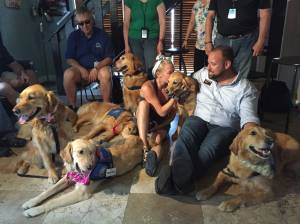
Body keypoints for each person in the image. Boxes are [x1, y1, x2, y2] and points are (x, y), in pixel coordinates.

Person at [155, 46, 260, 195]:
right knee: (184, 139)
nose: (208, 67)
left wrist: (253, 138)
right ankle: (181, 181)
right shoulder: (203, 74)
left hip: (224, 127)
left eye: (213, 64)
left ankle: (173, 179)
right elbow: (184, 80)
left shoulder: (245, 89)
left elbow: (249, 120)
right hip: (198, 119)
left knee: (206, 152)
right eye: (208, 62)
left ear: (227, 65)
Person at [205, 0, 271, 78]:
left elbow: (265, 15)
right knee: (217, 73)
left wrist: (261, 41)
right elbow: (210, 16)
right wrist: (208, 42)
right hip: (221, 39)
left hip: (246, 41)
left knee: (241, 76)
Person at [64, 6, 114, 109]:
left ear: (92, 20)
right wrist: (81, 69)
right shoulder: (73, 37)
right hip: (80, 70)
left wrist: (97, 68)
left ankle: (106, 107)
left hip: (99, 68)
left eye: (87, 22)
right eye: (81, 24)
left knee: (105, 73)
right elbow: (69, 58)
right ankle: (72, 108)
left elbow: (109, 57)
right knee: (68, 74)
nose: (85, 26)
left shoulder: (103, 35)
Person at [136, 55, 176, 177]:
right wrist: (175, 98)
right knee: (143, 104)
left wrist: (160, 127)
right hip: (146, 118)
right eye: (170, 72)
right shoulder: (148, 87)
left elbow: (171, 115)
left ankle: (152, 160)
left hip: (161, 123)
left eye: (174, 72)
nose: (173, 75)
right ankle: (144, 146)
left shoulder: (172, 87)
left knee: (158, 140)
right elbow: (161, 112)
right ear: (158, 74)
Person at [123, 0, 166, 79]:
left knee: (151, 68)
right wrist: (126, 44)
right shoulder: (130, 1)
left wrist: (160, 41)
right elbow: (126, 23)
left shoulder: (158, 1)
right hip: (134, 39)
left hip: (152, 38)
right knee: (138, 67)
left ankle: (150, 89)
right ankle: (141, 90)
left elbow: (162, 21)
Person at [0, 34, 37, 106]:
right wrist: (9, 82)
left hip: (4, 74)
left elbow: (13, 63)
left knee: (30, 74)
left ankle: (39, 102)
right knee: (5, 87)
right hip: (2, 82)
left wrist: (22, 73)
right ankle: (27, 110)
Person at [182, 0, 216, 72]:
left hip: (212, 43)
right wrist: (186, 39)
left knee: (211, 70)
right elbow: (192, 22)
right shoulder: (197, 4)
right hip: (199, 43)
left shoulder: (214, 2)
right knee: (197, 70)